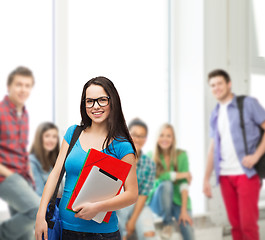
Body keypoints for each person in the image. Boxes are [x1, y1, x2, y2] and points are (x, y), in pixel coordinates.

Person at [35, 76, 138, 240]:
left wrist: (98, 207)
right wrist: (40, 216)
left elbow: (132, 194)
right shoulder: (73, 133)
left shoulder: (122, 145)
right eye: (89, 101)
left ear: (113, 102)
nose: (95, 106)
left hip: (101, 235)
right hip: (64, 229)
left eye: (102, 100)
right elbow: (55, 174)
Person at [203, 69, 265, 240]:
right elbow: (213, 148)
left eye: (219, 83)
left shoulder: (248, 104)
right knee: (235, 226)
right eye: (212, 85)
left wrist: (256, 156)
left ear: (229, 84)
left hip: (246, 173)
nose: (216, 88)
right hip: (224, 175)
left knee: (248, 226)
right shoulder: (215, 113)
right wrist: (206, 178)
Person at [0, 66, 40, 240]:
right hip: (6, 176)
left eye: (27, 85)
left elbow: (21, 150)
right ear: (9, 87)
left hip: (23, 177)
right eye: (19, 85)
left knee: (25, 234)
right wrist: (10, 174)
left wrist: (29, 176)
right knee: (38, 210)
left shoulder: (24, 114)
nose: (23, 89)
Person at [148, 123, 194, 240]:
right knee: (167, 185)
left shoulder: (181, 155)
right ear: (157, 138)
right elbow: (157, 179)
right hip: (157, 202)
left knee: (187, 227)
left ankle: (179, 215)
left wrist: (184, 211)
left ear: (173, 139)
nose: (165, 139)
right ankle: (167, 224)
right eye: (162, 135)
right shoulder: (151, 156)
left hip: (177, 201)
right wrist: (179, 174)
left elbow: (184, 184)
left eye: (169, 136)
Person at [116, 118, 157, 240]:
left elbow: (143, 194)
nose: (137, 139)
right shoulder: (117, 156)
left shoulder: (149, 164)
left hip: (138, 204)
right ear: (127, 134)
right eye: (134, 135)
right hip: (118, 204)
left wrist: (133, 220)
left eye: (142, 136)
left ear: (146, 139)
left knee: (149, 233)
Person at [29, 122, 60, 196]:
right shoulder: (32, 162)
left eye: (54, 136)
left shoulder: (54, 161)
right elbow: (39, 194)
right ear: (39, 138)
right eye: (47, 136)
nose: (51, 140)